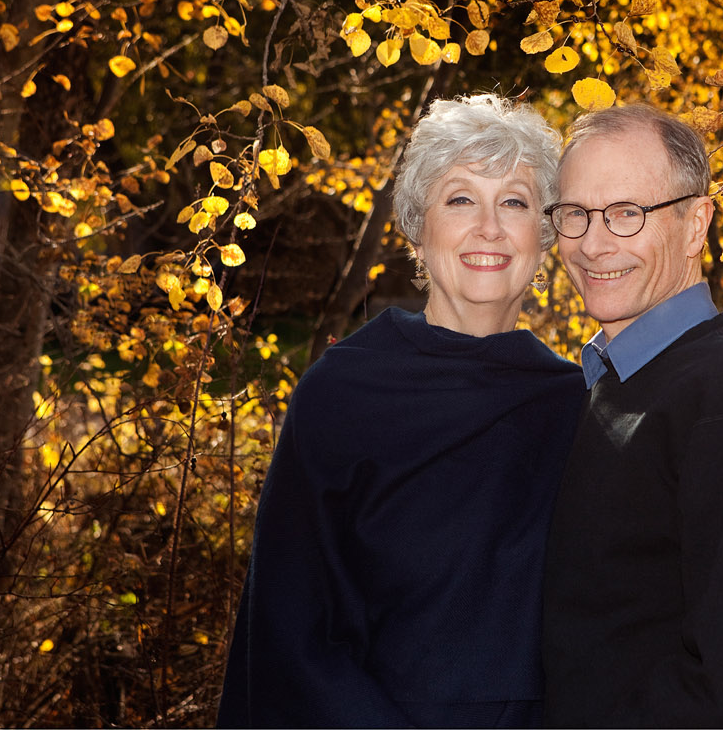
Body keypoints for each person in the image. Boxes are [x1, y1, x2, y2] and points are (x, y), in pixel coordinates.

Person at [218, 94, 584, 728]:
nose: (489, 228)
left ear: (545, 234)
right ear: (418, 227)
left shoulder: (576, 406)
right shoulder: (343, 393)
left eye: (515, 202)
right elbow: (288, 627)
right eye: (461, 199)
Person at [541, 104, 723, 727]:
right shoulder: (610, 388)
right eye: (575, 214)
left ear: (695, 224)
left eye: (627, 212)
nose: (593, 243)